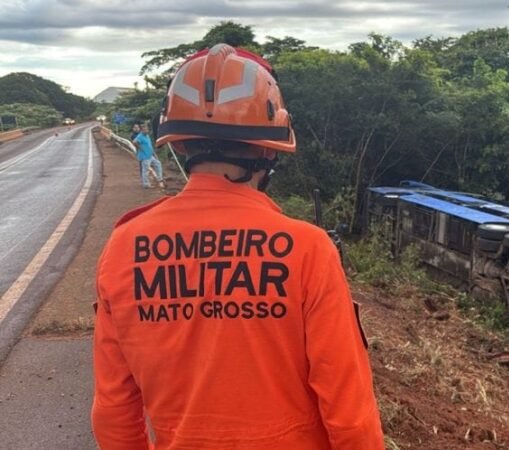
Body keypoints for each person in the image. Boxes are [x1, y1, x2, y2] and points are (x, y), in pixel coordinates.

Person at [91, 43, 384, 449]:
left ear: (177, 145)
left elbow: (114, 408)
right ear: (270, 148)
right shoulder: (307, 249)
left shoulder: (124, 246)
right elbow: (350, 415)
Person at [132, 122, 166, 189]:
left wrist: (154, 154)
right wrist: (140, 148)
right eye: (144, 130)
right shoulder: (140, 136)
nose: (146, 131)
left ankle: (160, 179)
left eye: (147, 129)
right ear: (142, 130)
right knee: (146, 170)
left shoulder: (147, 136)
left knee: (158, 164)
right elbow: (134, 142)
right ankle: (146, 184)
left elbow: (150, 146)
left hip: (150, 155)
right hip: (144, 156)